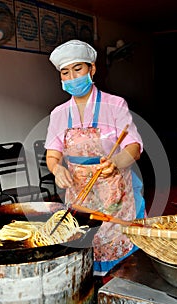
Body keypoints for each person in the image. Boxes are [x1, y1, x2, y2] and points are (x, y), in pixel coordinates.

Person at [45, 39, 145, 276]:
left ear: (92, 69)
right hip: (79, 192)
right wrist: (57, 169)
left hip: (114, 191)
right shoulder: (58, 114)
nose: (72, 77)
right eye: (65, 73)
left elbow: (134, 147)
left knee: (120, 261)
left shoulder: (115, 104)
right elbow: (52, 154)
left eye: (77, 69)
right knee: (85, 252)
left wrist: (116, 163)